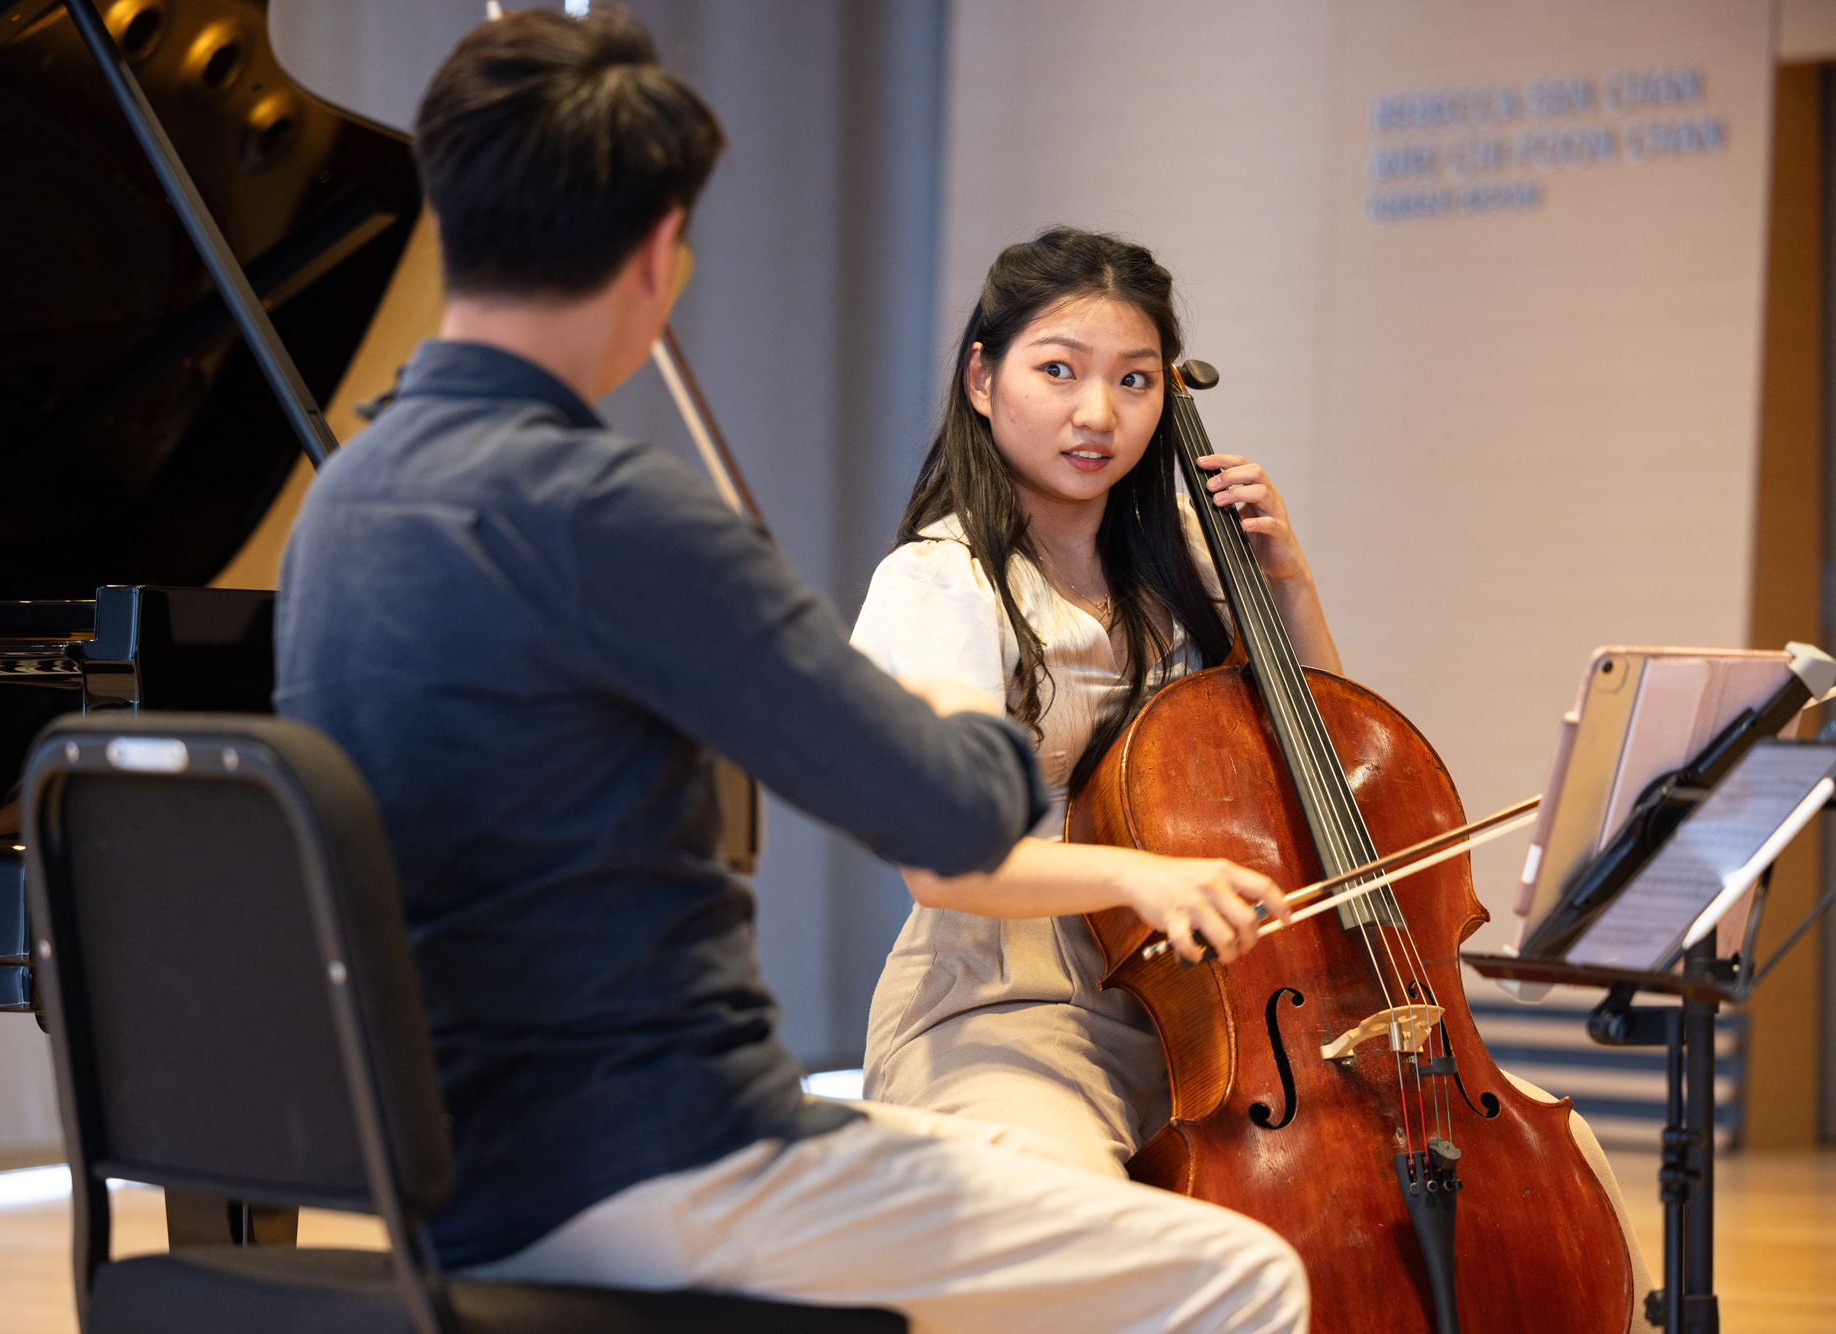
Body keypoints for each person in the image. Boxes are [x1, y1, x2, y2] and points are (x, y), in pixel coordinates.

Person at [273, 9, 1307, 1333]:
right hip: (658, 1155)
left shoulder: (343, 503)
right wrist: (955, 715)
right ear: (658, 256)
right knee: (1243, 1272)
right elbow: (949, 814)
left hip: (439, 1164)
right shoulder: (612, 509)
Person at [851, 226, 1654, 1330]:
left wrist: (1285, 581)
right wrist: (1145, 877)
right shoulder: (940, 584)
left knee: (1561, 1180)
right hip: (1015, 1009)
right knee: (1085, 1246)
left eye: (1133, 380)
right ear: (982, 378)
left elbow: (1324, 760)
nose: (1098, 413)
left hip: (1235, 1017)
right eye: (1058, 371)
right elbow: (945, 861)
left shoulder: (1181, 565)